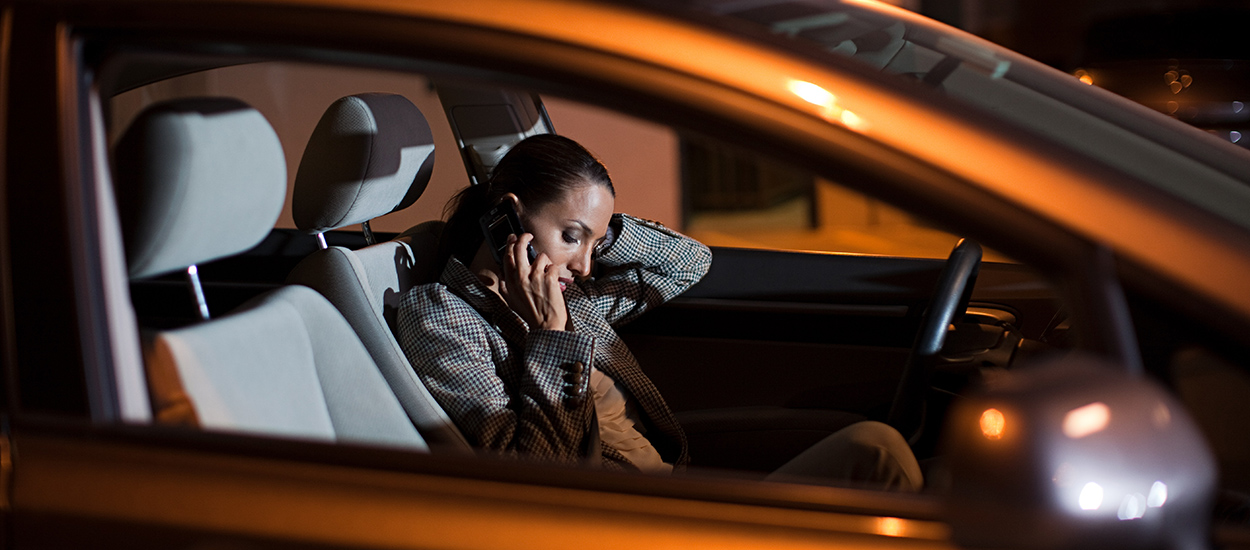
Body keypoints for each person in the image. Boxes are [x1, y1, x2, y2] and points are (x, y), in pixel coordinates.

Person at [397, 134, 922, 490]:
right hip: (621, 524)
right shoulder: (443, 319)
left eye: (592, 246)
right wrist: (550, 338)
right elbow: (531, 482)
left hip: (670, 489)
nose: (583, 266)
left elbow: (688, 263)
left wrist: (599, 230)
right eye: (570, 236)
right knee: (876, 454)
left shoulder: (570, 294)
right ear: (506, 217)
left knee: (877, 447)